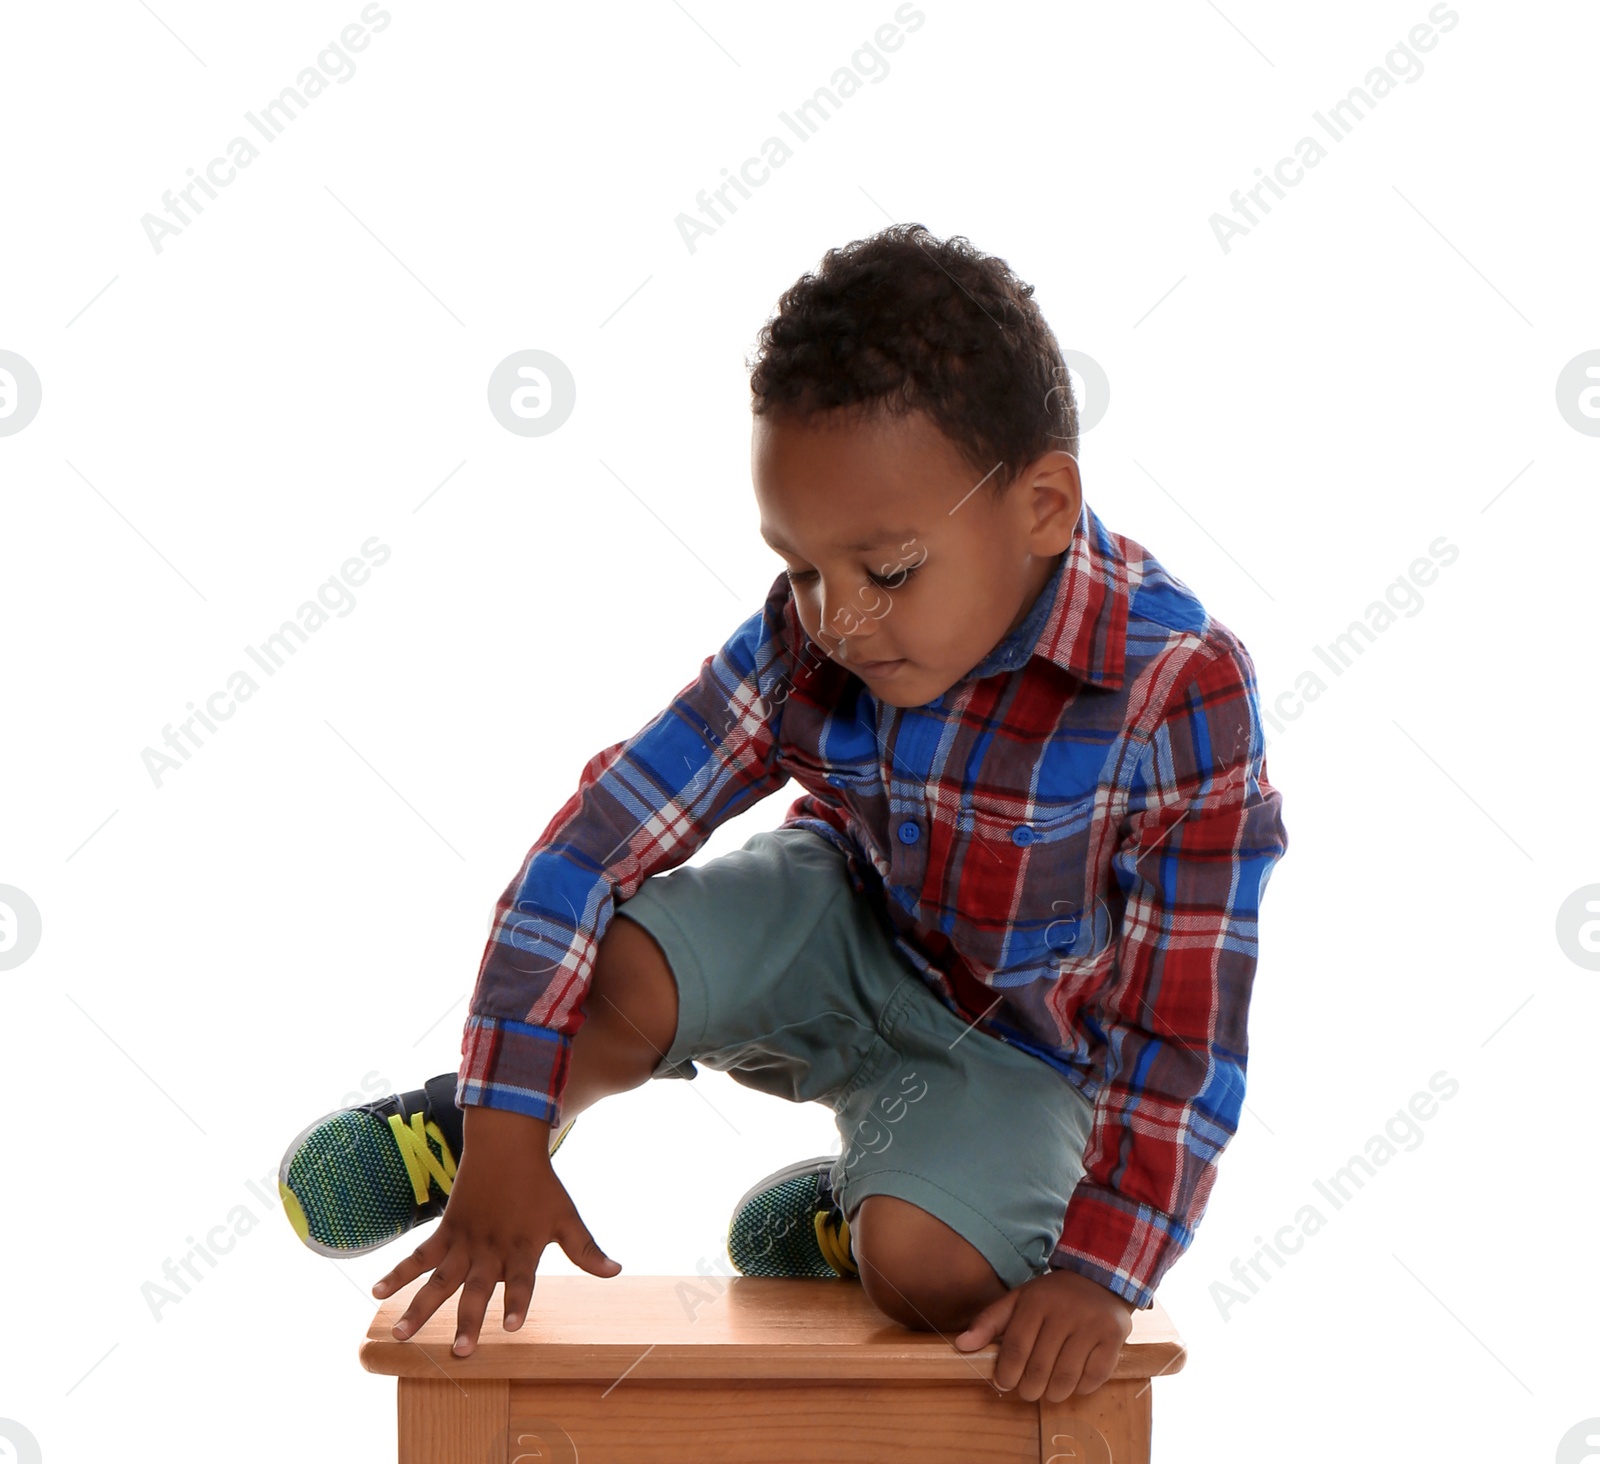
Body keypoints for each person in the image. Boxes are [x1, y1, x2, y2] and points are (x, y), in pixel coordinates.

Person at [279, 225, 1286, 1402]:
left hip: (1021, 1052)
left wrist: (1103, 1275)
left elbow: (1184, 1035)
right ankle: (490, 1122)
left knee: (936, 1276)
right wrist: (508, 1120)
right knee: (621, 961)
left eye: (887, 571)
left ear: (1044, 506)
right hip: (839, 930)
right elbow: (589, 848)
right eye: (803, 569)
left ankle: (870, 1215)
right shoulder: (803, 635)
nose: (839, 619)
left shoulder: (1180, 687)